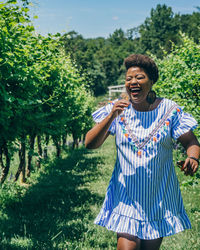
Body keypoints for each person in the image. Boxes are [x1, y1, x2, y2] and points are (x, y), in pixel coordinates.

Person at [85, 54, 200, 250]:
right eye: (129, 79)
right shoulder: (117, 109)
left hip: (159, 195)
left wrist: (192, 157)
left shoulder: (170, 110)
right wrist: (112, 114)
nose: (133, 82)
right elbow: (90, 143)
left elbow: (190, 140)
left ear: (152, 81)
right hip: (126, 193)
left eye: (139, 77)